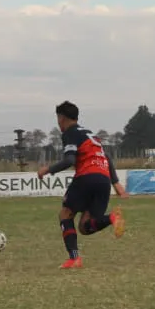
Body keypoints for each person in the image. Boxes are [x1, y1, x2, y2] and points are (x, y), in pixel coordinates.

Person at [37, 101, 128, 270]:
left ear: (62, 118)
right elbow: (106, 157)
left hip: (87, 176)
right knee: (85, 226)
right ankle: (112, 218)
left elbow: (69, 160)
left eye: (58, 118)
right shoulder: (89, 134)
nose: (58, 123)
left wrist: (47, 170)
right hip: (103, 180)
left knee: (65, 214)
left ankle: (74, 259)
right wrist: (115, 183)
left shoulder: (70, 133)